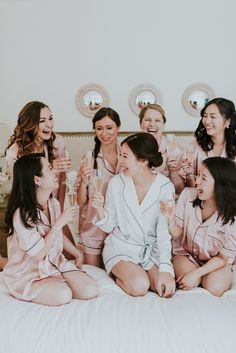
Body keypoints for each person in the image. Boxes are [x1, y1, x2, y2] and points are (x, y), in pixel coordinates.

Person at [3, 154, 98, 305]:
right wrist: (60, 222)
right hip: (29, 271)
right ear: (37, 179)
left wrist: (76, 253)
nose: (55, 172)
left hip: (54, 262)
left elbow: (57, 236)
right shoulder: (22, 214)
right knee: (63, 295)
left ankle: (57, 279)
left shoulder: (52, 203)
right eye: (49, 168)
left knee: (90, 290)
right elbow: (39, 253)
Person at [91, 132, 176, 298]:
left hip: (149, 252)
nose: (120, 161)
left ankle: (138, 272)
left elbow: (163, 232)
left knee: (163, 289)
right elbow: (109, 226)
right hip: (121, 247)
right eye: (120, 155)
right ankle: (119, 275)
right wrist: (100, 210)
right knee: (139, 286)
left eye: (125, 156)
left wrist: (165, 269)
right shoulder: (117, 183)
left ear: (143, 161)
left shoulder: (165, 186)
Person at [5, 101, 75, 255]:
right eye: (42, 121)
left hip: (52, 209)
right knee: (31, 258)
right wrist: (52, 168)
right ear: (30, 124)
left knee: (69, 254)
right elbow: (21, 188)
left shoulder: (57, 143)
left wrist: (59, 213)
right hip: (28, 212)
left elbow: (62, 182)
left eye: (50, 118)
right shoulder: (14, 152)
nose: (49, 125)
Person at [162, 157, 236, 296]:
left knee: (215, 288)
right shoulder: (187, 196)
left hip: (216, 260)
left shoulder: (233, 217)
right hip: (185, 254)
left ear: (220, 184)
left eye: (204, 178)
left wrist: (197, 273)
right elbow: (177, 234)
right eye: (198, 176)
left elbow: (222, 258)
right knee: (188, 283)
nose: (196, 182)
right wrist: (170, 219)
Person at [76, 107, 122, 268]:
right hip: (93, 231)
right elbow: (81, 202)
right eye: (99, 129)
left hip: (120, 230)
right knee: (96, 277)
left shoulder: (127, 156)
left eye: (109, 128)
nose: (105, 133)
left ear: (118, 127)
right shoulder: (89, 159)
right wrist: (82, 181)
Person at [180, 97, 236, 183]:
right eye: (205, 116)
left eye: (213, 117)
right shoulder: (194, 147)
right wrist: (190, 175)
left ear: (227, 122)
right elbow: (189, 186)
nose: (207, 121)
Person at [139, 104, 185, 195]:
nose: (152, 124)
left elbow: (180, 191)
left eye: (157, 120)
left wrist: (173, 172)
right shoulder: (132, 149)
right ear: (140, 123)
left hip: (166, 205)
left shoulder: (175, 151)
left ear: (163, 124)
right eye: (148, 120)